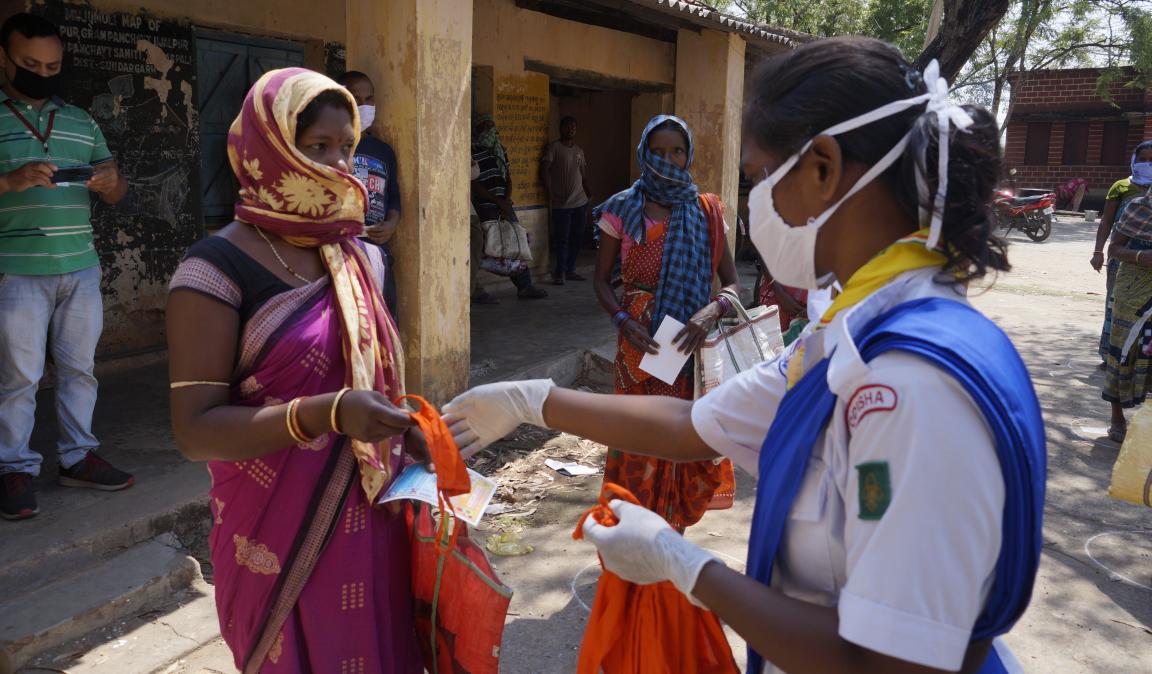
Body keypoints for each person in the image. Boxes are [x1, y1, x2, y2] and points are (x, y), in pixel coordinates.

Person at [444, 38, 1045, 674]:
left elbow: (894, 662)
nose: (758, 204)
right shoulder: (853, 331)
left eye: (760, 177)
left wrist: (687, 567)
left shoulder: (908, 386)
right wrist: (525, 400)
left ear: (823, 168)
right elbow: (690, 425)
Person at [166, 68, 430, 673]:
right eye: (317, 147)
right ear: (267, 147)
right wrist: (328, 413)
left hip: (373, 510)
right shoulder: (215, 271)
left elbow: (375, 372)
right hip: (273, 527)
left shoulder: (364, 256)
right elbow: (195, 430)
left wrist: (410, 427)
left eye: (347, 148)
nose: (339, 166)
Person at [0, 12, 132, 521]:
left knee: (80, 369)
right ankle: (14, 469)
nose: (43, 73)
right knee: (20, 376)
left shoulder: (80, 119)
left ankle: (76, 458)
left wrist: (107, 181)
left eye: (52, 66)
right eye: (30, 63)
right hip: (16, 270)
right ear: (1, 57)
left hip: (81, 268)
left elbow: (118, 190)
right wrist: (7, 181)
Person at [593, 114, 739, 526]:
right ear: (644, 153)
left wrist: (713, 310)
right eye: (659, 151)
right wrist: (623, 320)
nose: (669, 159)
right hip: (640, 351)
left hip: (690, 351)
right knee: (636, 442)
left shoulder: (708, 211)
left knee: (682, 441)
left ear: (688, 153)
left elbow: (731, 284)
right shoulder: (622, 208)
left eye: (677, 150)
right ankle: (632, 534)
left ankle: (670, 534)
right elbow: (601, 282)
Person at [339, 70, 400, 321]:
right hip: (342, 255)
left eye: (369, 99)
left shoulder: (383, 150)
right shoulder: (331, 148)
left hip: (379, 251)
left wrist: (392, 224)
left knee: (385, 322)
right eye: (356, 98)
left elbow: (393, 196)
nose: (364, 106)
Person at [470, 114, 547, 301]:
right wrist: (497, 202)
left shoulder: (500, 150)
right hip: (485, 206)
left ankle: (524, 286)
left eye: (491, 127)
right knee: (482, 247)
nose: (489, 131)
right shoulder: (472, 151)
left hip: (505, 205)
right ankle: (475, 289)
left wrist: (506, 199)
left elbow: (508, 177)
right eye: (484, 127)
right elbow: (474, 184)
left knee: (517, 241)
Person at [1092, 140, 1152, 365]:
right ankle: (1112, 355)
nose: (1147, 164)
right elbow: (1107, 221)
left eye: (1151, 160)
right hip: (1122, 256)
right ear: (1134, 161)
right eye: (1143, 159)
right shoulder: (1121, 187)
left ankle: (1140, 359)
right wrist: (1098, 251)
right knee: (1116, 305)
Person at [1102, 190, 1152, 442]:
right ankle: (1117, 416)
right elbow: (1114, 248)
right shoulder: (1138, 208)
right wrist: (1142, 256)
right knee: (1124, 351)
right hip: (1134, 292)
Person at [542, 115, 591, 284]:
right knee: (562, 238)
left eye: (573, 127)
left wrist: (589, 192)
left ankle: (570, 269)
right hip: (561, 203)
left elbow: (583, 175)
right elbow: (545, 171)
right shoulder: (553, 148)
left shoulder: (579, 151)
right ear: (561, 128)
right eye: (568, 127)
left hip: (580, 201)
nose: (571, 129)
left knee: (577, 237)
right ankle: (560, 272)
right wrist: (550, 192)